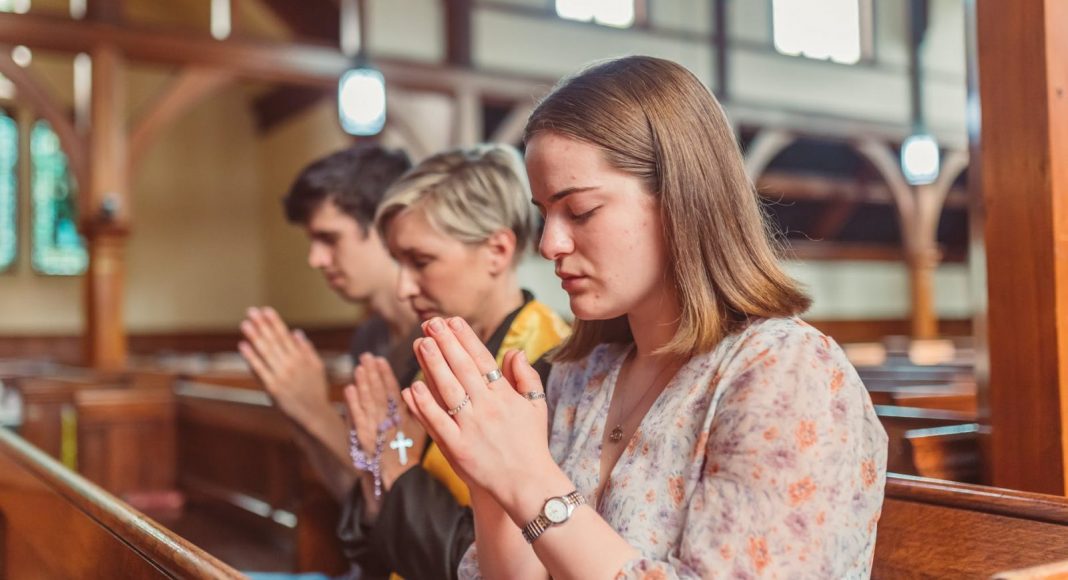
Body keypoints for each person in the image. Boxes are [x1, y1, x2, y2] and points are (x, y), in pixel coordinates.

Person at [401, 56, 889, 579]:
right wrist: (490, 480)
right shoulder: (580, 375)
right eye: (545, 213)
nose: (549, 244)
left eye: (581, 210)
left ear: (682, 199)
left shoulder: (787, 373)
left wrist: (527, 478)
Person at [336, 143, 570, 580]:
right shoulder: (421, 353)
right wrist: (376, 474)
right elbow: (367, 534)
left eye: (421, 261)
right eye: (398, 262)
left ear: (498, 251)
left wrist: (394, 467)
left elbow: (490, 562)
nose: (404, 287)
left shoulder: (551, 366)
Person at [238, 143, 418, 512]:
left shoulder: (437, 338)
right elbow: (360, 494)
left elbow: (408, 504)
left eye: (329, 239)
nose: (315, 259)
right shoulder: (369, 338)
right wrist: (296, 410)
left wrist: (315, 411)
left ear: (387, 226)